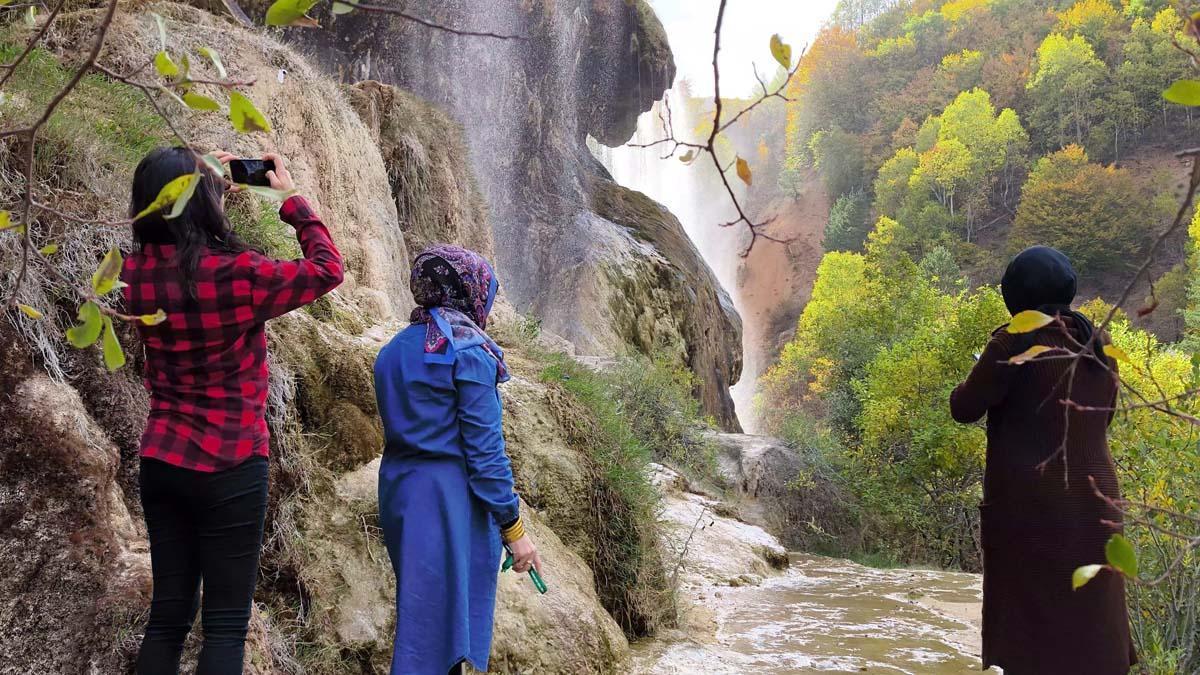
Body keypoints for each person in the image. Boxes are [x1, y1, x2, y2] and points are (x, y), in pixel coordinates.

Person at [123, 147, 344, 674]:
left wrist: (204, 184)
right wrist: (288, 198)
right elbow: (326, 268)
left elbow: (175, 238)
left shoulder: (132, 276)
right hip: (232, 464)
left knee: (168, 617)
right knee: (225, 625)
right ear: (204, 203)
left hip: (163, 460)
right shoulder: (238, 275)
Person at [950, 246, 1136, 674]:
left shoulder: (1012, 341)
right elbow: (1102, 415)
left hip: (1033, 504)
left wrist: (984, 364)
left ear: (1014, 295)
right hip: (1097, 499)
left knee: (1029, 626)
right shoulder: (1098, 341)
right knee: (1092, 616)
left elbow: (963, 407)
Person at [373, 245, 541, 675]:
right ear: (468, 291)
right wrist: (514, 528)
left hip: (400, 495)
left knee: (423, 621)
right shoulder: (468, 353)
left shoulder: (393, 350)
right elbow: (486, 457)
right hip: (449, 504)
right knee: (442, 640)